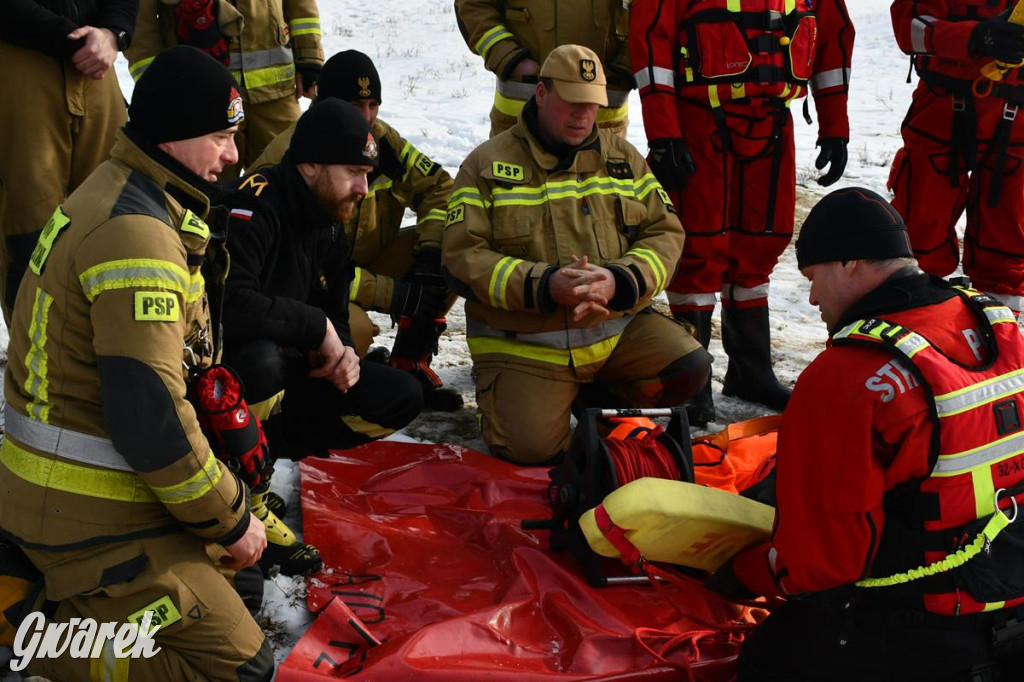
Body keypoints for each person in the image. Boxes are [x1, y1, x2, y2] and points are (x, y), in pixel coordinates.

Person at [0, 46, 273, 681]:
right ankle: (29, 625)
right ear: (173, 137)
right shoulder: (137, 237)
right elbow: (151, 419)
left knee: (248, 588)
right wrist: (232, 518)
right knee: (239, 669)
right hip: (92, 517)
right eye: (220, 137)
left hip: (84, 496)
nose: (233, 155)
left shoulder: (134, 194)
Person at [709, 187, 1024, 680]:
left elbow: (821, 564)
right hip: (1011, 587)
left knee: (768, 656)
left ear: (849, 262)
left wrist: (733, 571)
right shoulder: (993, 324)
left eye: (813, 277)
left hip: (932, 621)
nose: (811, 297)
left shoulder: (845, 376)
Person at [442, 44, 712, 465]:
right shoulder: (486, 164)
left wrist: (620, 281)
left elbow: (666, 231)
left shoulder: (624, 158)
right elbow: (462, 258)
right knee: (528, 451)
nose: (584, 115)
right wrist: (545, 285)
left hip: (614, 333)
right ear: (542, 94)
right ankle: (509, 402)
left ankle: (592, 397)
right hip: (527, 346)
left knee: (690, 367)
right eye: (572, 101)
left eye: (593, 104)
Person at [629, 0, 855, 425]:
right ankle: (690, 382)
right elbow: (650, 42)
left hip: (771, 122)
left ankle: (751, 370)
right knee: (697, 246)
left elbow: (834, 42)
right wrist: (664, 133)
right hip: (699, 122)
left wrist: (836, 126)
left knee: (759, 245)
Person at [217, 98, 425, 471]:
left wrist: (344, 353)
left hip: (291, 373)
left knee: (403, 394)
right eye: (353, 172)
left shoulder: (328, 219)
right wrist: (315, 327)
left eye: (367, 173)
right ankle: (236, 462)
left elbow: (335, 306)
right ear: (310, 165)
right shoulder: (254, 206)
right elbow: (230, 304)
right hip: (226, 377)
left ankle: (270, 453)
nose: (363, 188)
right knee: (261, 361)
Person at [251, 50, 462, 412]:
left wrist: (429, 255)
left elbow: (441, 188)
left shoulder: (380, 139)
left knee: (451, 249)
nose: (365, 117)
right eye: (353, 104)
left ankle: (409, 364)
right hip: (315, 287)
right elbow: (297, 269)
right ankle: (333, 378)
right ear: (322, 102)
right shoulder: (292, 154)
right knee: (357, 333)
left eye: (373, 105)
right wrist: (393, 295)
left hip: (363, 259)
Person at [0, 0, 136, 322]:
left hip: (96, 65)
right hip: (20, 56)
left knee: (115, 212)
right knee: (32, 225)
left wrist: (112, 32)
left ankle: (105, 343)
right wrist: (79, 41)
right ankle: (33, 353)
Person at [890, 1, 1024, 314]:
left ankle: (997, 342)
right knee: (919, 236)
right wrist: (976, 36)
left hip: (1017, 121)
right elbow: (908, 29)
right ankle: (915, 326)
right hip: (941, 111)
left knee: (1006, 248)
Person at [126, 0, 324, 179]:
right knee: (203, 191)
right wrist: (158, 86)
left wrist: (309, 57)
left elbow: (301, 5)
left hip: (276, 96)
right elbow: (140, 24)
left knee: (295, 178)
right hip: (197, 100)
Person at [454, 0, 634, 138]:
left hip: (603, 124)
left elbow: (653, 15)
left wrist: (625, 65)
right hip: (520, 120)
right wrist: (509, 57)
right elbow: (473, 6)